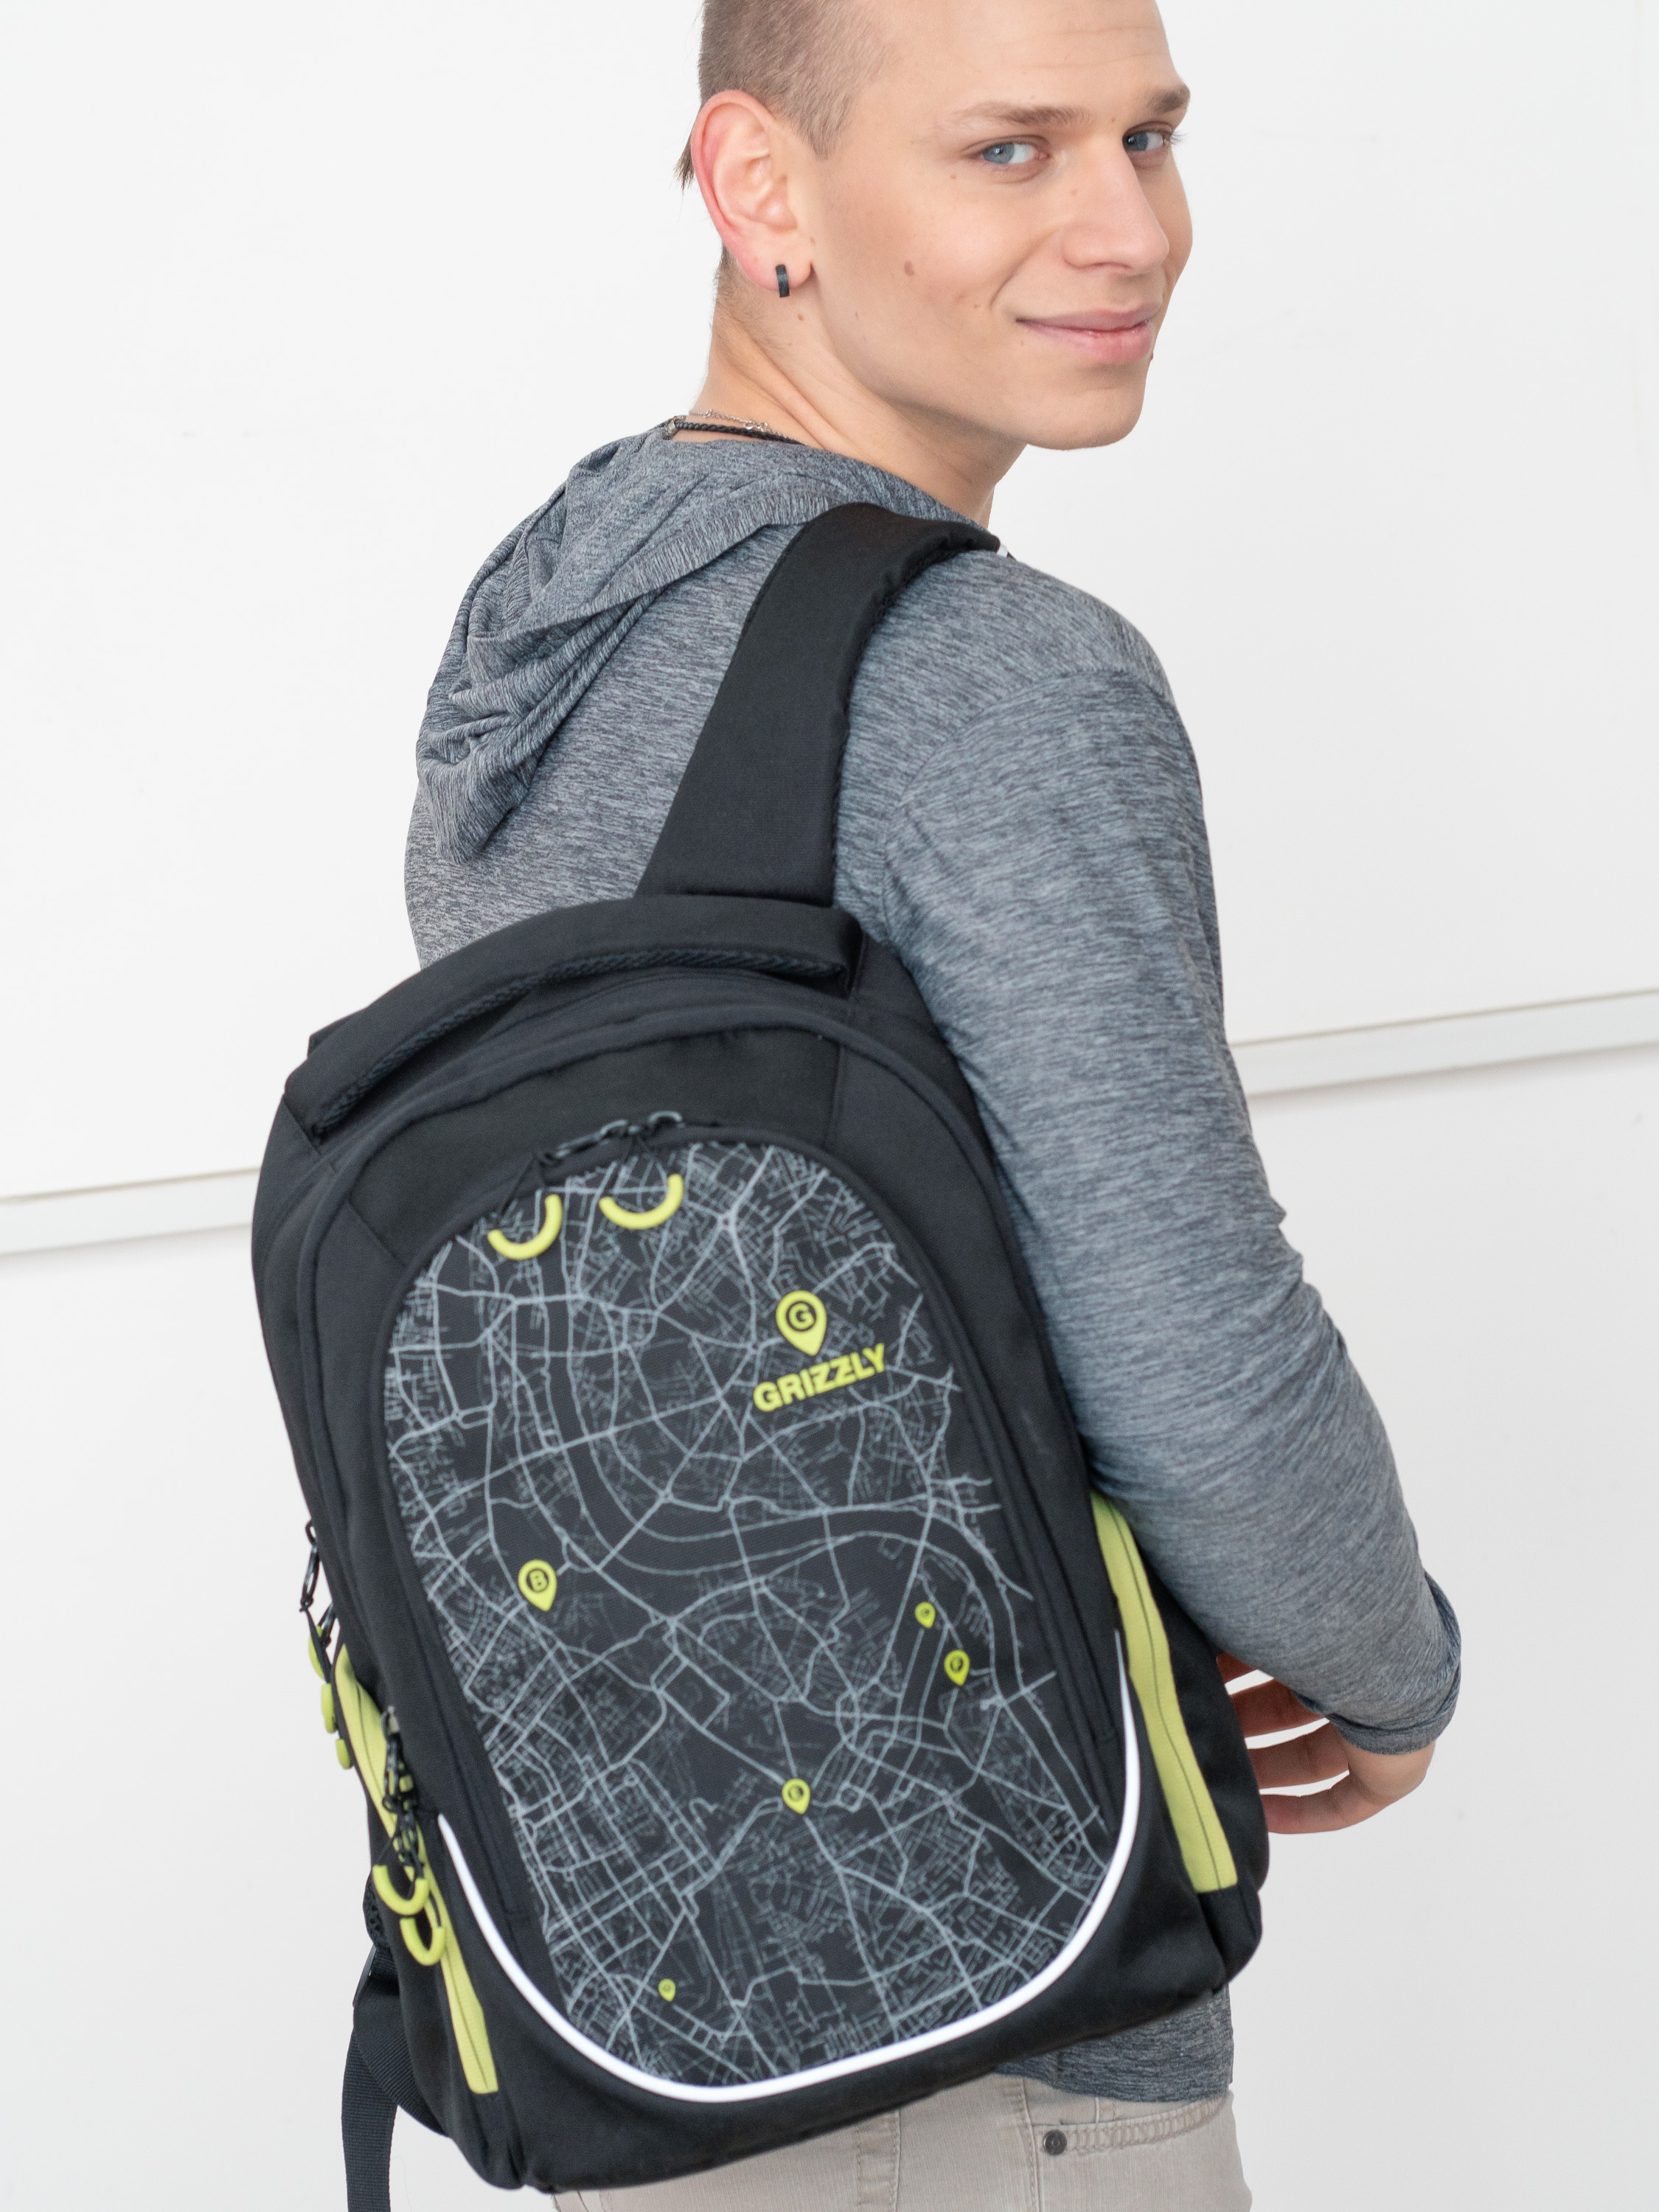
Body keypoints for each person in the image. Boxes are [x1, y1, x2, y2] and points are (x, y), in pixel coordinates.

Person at [406, 1, 1461, 2202]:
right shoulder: (994, 676)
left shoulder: (545, 619)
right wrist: (1385, 1670)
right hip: (997, 2014)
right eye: (1011, 149)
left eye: (1150, 138)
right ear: (759, 185)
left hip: (627, 1977)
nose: (1130, 229)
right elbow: (1189, 1347)